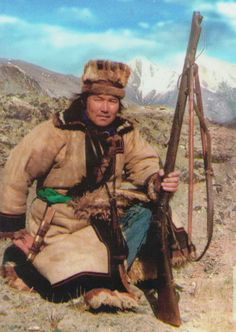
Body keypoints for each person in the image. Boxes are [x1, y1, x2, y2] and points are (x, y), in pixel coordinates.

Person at [0, 59, 188, 309]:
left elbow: (144, 163)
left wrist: (158, 180)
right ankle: (105, 277)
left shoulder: (124, 133)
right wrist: (15, 230)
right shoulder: (57, 131)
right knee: (62, 273)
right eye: (99, 99)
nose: (105, 108)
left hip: (102, 217)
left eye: (112, 101)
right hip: (59, 224)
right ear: (85, 99)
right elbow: (17, 171)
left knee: (152, 211)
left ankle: (115, 272)